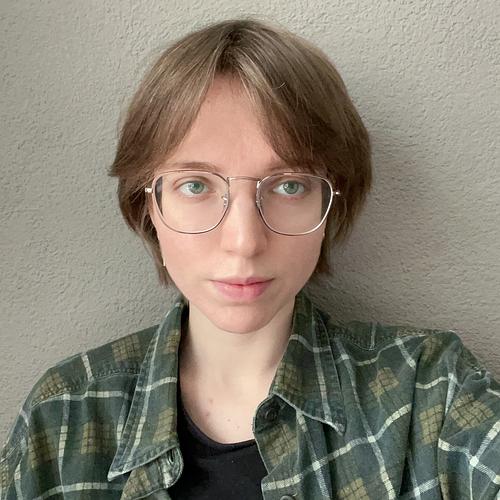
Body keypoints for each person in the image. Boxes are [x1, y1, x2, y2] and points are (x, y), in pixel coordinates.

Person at [1, 17, 499, 500]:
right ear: (148, 206)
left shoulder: (431, 393)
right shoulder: (62, 418)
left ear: (331, 205)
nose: (244, 241)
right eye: (195, 185)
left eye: (289, 185)